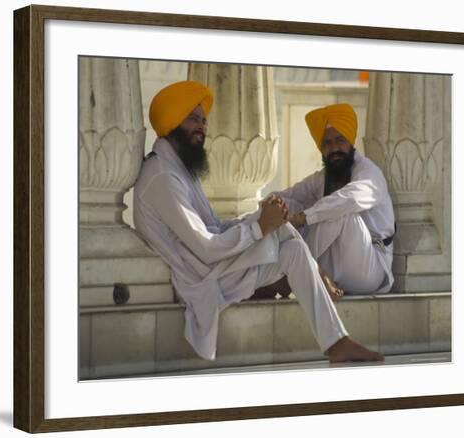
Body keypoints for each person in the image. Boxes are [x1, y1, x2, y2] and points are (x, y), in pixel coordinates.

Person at [133, 80, 383, 363]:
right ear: (172, 120)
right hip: (200, 276)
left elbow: (213, 226)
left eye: (203, 120)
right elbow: (206, 247)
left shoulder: (178, 169)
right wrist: (259, 226)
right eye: (193, 119)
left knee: (290, 244)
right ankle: (309, 292)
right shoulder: (163, 178)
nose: (202, 126)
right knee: (284, 237)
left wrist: (262, 218)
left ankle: (336, 341)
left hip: (212, 267)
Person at [268, 103, 395, 298]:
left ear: (351, 142)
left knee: (339, 211)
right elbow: (287, 195)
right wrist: (269, 206)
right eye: (326, 143)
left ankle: (293, 272)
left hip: (368, 269)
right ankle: (286, 269)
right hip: (332, 265)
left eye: (339, 140)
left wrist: (303, 217)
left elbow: (348, 199)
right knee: (284, 205)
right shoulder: (322, 178)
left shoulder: (369, 173)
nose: (334, 148)